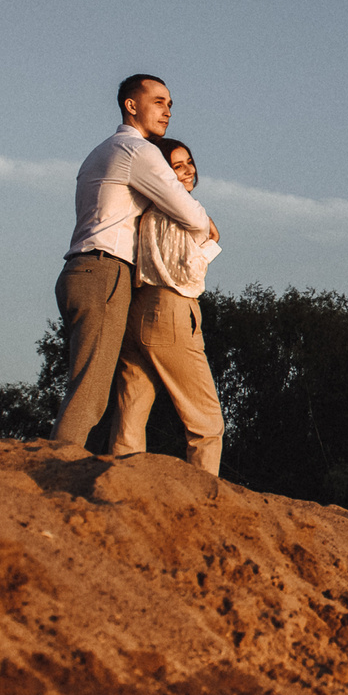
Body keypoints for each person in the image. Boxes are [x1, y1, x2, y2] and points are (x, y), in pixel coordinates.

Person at [52, 76, 215, 448]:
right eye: (158, 101)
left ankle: (63, 462)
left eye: (170, 104)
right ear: (131, 105)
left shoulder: (101, 151)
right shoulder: (139, 151)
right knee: (90, 392)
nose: (167, 111)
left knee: (92, 387)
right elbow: (191, 216)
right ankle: (56, 465)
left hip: (81, 270)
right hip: (105, 271)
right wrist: (208, 224)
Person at [111, 138, 225, 474]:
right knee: (206, 423)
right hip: (171, 310)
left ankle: (121, 486)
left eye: (189, 162)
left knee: (131, 415)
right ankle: (202, 496)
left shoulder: (146, 213)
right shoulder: (179, 212)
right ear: (161, 173)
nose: (188, 170)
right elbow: (185, 272)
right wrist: (212, 243)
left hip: (138, 308)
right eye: (177, 166)